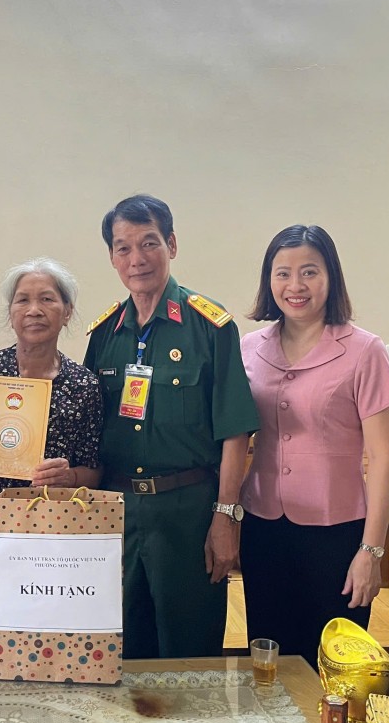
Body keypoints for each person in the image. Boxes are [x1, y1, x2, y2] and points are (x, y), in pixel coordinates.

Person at [83, 194, 259, 659]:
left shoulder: (210, 326)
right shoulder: (104, 335)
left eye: (149, 243)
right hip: (117, 512)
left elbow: (235, 431)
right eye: (123, 248)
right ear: (112, 258)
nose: (137, 259)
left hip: (188, 514)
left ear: (172, 245)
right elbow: (89, 432)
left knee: (190, 651)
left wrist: (226, 517)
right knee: (119, 650)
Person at [238, 224, 389, 669]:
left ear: (331, 276)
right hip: (263, 527)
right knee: (268, 658)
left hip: (338, 533)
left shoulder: (365, 350)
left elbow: (384, 458)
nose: (295, 285)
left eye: (309, 272)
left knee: (334, 666)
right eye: (283, 273)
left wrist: (371, 551)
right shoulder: (249, 348)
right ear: (269, 281)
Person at [0, 258, 104, 663]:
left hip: (46, 551)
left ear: (67, 312)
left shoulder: (85, 387)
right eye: (23, 300)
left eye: (47, 299)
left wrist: (68, 476)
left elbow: (95, 471)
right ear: (10, 312)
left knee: (36, 660)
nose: (34, 310)